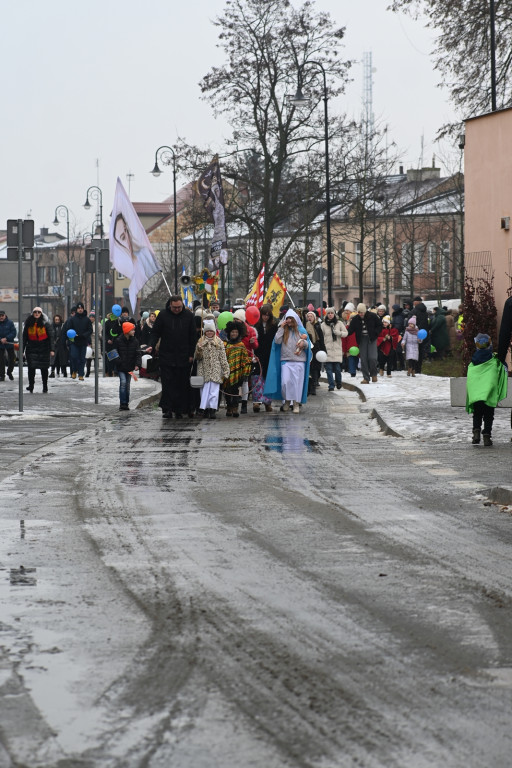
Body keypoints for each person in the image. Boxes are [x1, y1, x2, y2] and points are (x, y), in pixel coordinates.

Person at [147, 295, 197, 419]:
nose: (177, 309)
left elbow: (193, 337)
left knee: (182, 384)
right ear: (170, 305)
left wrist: (191, 354)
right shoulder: (163, 315)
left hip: (184, 356)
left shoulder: (189, 316)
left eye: (179, 307)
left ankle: (180, 409)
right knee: (168, 384)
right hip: (167, 355)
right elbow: (155, 333)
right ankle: (167, 409)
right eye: (174, 307)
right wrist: (151, 346)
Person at [263, 308, 312, 414]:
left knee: (297, 384)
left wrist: (303, 344)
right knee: (285, 383)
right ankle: (287, 400)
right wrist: (281, 328)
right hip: (285, 360)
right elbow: (276, 341)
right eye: (287, 318)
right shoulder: (283, 331)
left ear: (295, 319)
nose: (289, 320)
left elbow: (308, 344)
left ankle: (295, 403)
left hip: (299, 361)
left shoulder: (301, 331)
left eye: (291, 318)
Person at [466, 333, 508, 446]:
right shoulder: (494, 360)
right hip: (489, 394)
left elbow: (471, 378)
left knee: (477, 414)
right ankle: (487, 436)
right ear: (490, 344)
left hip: (477, 395)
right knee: (489, 415)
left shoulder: (472, 362)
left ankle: (476, 432)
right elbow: (503, 368)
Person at [195, 318, 230, 419]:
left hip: (215, 370)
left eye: (211, 331)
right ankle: (204, 408)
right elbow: (198, 357)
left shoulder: (218, 342)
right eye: (208, 331)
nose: (209, 333)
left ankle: (213, 409)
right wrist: (199, 349)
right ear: (205, 331)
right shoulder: (201, 341)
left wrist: (226, 369)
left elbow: (223, 357)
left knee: (214, 391)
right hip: (204, 370)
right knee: (204, 390)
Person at [346, 303, 382, 384]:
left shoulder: (372, 316)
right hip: (362, 339)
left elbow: (380, 325)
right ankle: (366, 378)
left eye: (362, 312)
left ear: (365, 311)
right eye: (359, 312)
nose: (361, 314)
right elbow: (350, 330)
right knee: (363, 359)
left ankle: (374, 374)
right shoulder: (355, 319)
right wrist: (344, 333)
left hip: (371, 338)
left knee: (372, 358)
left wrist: (376, 333)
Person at [223, 321, 253, 417]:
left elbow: (244, 358)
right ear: (229, 333)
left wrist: (251, 360)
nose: (234, 334)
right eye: (232, 332)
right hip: (227, 371)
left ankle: (235, 408)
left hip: (238, 371)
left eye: (236, 332)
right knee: (227, 390)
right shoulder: (226, 345)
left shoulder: (241, 345)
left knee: (235, 390)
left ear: (239, 333)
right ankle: (229, 407)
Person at [253, 303, 278, 412]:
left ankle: (268, 402)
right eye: (264, 315)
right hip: (258, 355)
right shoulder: (256, 326)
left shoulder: (273, 326)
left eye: (268, 315)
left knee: (268, 379)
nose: (266, 317)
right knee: (257, 378)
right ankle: (257, 401)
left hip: (269, 355)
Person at [22, 307, 55, 393]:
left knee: (44, 369)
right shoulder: (28, 324)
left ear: (41, 314)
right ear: (32, 313)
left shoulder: (46, 324)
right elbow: (24, 338)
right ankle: (31, 385)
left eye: (39, 312)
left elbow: (51, 337)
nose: (37, 313)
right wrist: (22, 350)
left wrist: (52, 350)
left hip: (44, 349)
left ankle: (45, 386)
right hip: (31, 349)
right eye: (35, 312)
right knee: (31, 369)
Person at [232, 308, 258, 414]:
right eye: (234, 319)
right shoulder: (233, 329)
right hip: (235, 358)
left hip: (247, 358)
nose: (235, 322)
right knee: (235, 381)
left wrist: (253, 342)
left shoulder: (250, 330)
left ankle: (244, 404)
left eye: (237, 320)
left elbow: (256, 345)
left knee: (245, 381)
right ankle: (234, 403)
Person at [114, 322, 142, 411]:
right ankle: (122, 403)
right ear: (127, 331)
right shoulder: (118, 340)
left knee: (127, 385)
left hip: (130, 367)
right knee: (123, 383)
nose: (134, 331)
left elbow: (138, 353)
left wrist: (138, 364)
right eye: (132, 330)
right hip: (121, 367)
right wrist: (119, 361)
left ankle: (126, 403)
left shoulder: (135, 341)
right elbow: (113, 353)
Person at [320, 307, 347, 391]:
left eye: (332, 313)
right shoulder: (323, 325)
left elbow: (346, 333)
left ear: (334, 314)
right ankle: (331, 385)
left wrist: (339, 333)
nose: (330, 315)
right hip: (327, 349)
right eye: (328, 313)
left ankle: (339, 382)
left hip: (337, 349)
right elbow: (321, 336)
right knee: (329, 370)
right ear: (326, 315)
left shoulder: (339, 323)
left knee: (338, 370)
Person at [66, 302, 93, 381]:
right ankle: (74, 370)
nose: (80, 310)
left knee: (82, 359)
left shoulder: (87, 319)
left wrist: (84, 335)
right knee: (74, 356)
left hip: (83, 341)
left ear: (83, 309)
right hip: (74, 341)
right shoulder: (72, 319)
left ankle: (81, 374)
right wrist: (73, 335)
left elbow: (90, 330)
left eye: (81, 308)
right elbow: (69, 329)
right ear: (77, 309)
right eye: (79, 308)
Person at [304, 310, 325, 395]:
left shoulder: (317, 326)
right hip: (308, 349)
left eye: (311, 316)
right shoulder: (305, 326)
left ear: (314, 318)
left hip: (316, 349)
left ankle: (314, 385)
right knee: (309, 369)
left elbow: (321, 339)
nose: (309, 318)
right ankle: (309, 387)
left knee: (315, 369)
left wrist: (323, 349)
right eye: (308, 316)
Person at [412, 296, 429, 372]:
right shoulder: (425, 311)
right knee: (421, 350)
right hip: (423, 333)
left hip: (415, 333)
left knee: (414, 350)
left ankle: (414, 368)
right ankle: (419, 368)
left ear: (416, 302)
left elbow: (410, 322)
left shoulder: (414, 311)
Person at [0, 309, 16, 381]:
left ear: (5, 315)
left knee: (12, 359)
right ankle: (2, 375)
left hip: (9, 343)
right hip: (0, 344)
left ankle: (9, 372)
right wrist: (1, 339)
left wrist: (6, 338)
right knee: (1, 360)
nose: (1, 317)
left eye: (2, 316)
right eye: (0, 316)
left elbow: (13, 332)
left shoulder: (10, 323)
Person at [391, 304, 406, 370]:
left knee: (397, 351)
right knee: (396, 351)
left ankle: (399, 366)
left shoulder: (397, 316)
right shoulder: (399, 315)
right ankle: (399, 365)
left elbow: (398, 325)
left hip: (397, 334)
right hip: (397, 334)